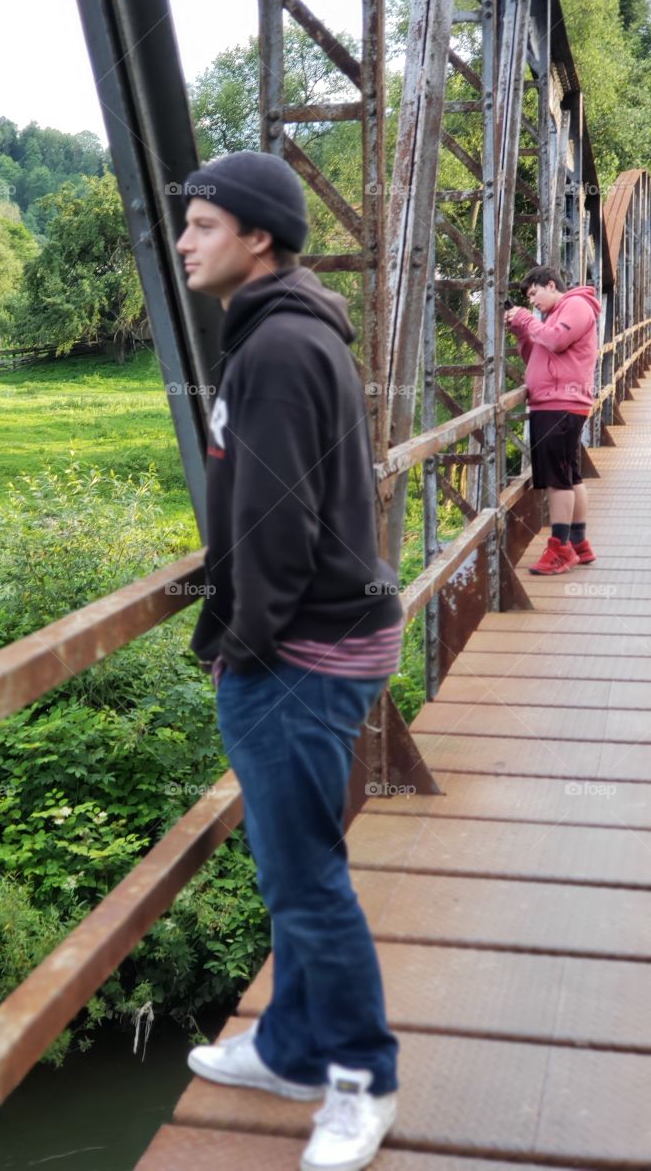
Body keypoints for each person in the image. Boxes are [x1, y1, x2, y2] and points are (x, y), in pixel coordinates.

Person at [175, 150, 403, 1171]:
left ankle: (362, 1075)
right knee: (292, 864)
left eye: (204, 225)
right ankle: (291, 1048)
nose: (184, 240)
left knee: (307, 878)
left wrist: (239, 645)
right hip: (322, 635)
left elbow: (274, 523)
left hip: (300, 650)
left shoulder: (272, 352)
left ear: (258, 237)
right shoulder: (291, 333)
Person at [505, 266, 600, 574]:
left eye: (534, 293)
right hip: (558, 402)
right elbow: (537, 355)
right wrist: (524, 331)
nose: (532, 301)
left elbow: (557, 341)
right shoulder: (553, 315)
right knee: (570, 475)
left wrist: (528, 320)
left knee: (557, 479)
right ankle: (579, 544)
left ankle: (560, 550)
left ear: (550, 284)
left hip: (560, 403)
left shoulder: (575, 305)